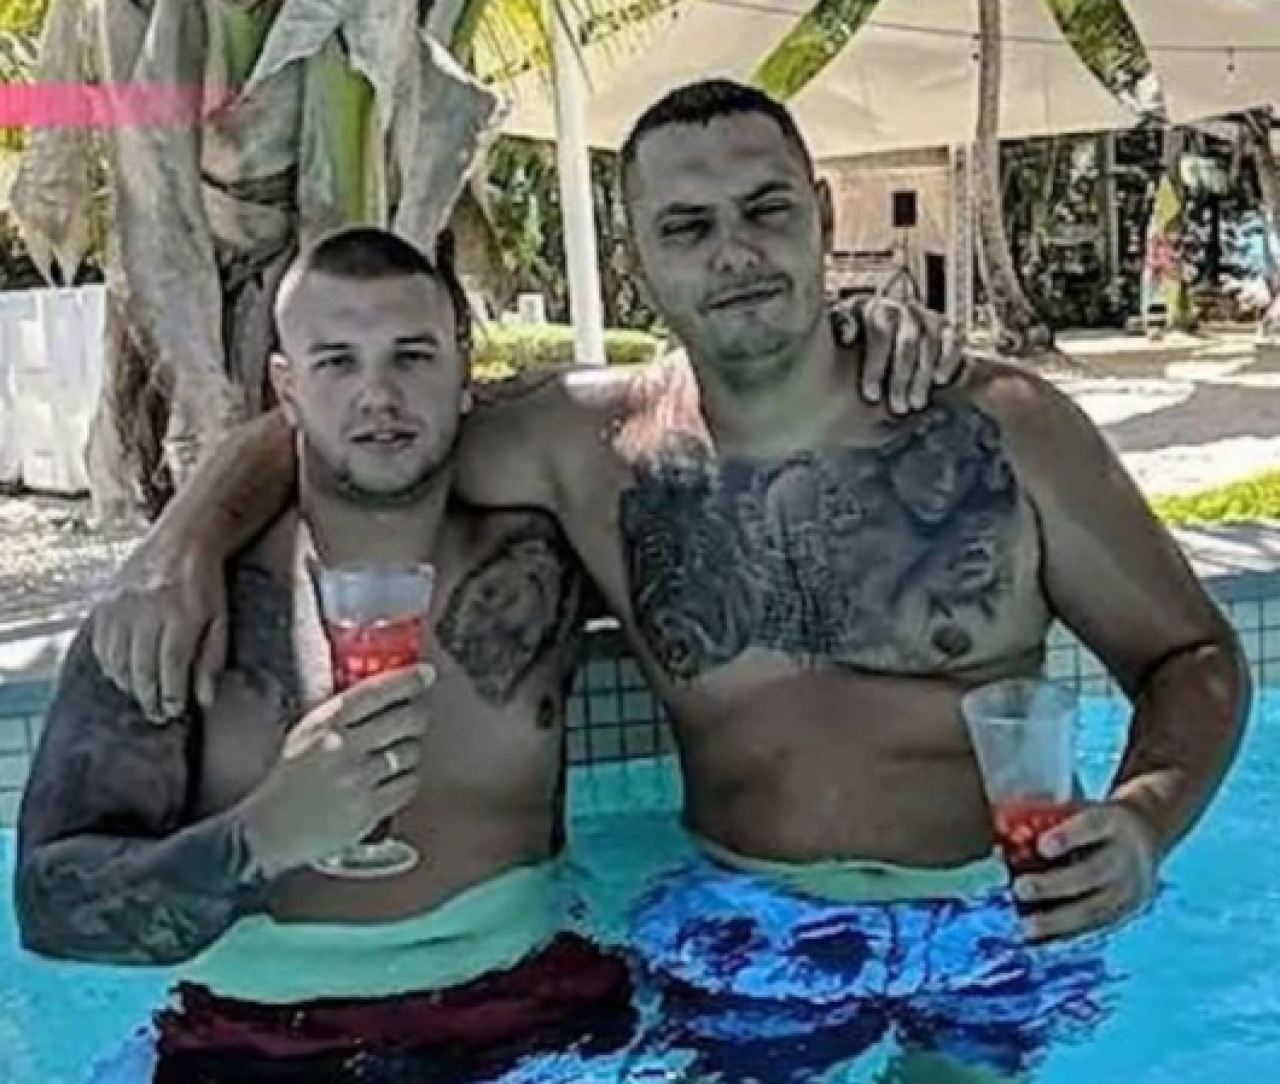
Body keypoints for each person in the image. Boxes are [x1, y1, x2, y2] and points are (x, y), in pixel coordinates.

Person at [83, 80, 1250, 1082]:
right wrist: (183, 539)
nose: (733, 253)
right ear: (638, 256)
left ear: (819, 213)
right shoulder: (588, 446)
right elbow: (361, 421)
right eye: (686, 226)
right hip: (746, 931)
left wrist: (1143, 821)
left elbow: (1190, 655)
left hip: (996, 911)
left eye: (765, 209)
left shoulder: (1001, 428)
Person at [14, 229, 637, 1084]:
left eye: (412, 355)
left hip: (535, 1010)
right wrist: (260, 837)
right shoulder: (181, 612)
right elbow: (49, 908)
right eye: (337, 362)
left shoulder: (542, 570)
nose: (379, 395)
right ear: (287, 388)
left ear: (465, 373)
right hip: (261, 1039)